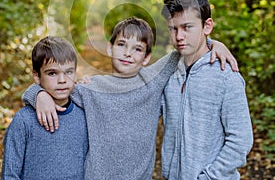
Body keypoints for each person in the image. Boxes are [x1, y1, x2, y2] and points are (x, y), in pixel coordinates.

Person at [23, 17, 237, 180]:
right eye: (122, 45)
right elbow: (56, 89)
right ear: (109, 47)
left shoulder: (152, 82)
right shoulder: (91, 89)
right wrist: (38, 94)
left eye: (137, 49)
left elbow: (186, 49)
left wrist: (214, 44)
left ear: (146, 58)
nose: (127, 53)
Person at [161, 0, 253, 180]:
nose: (179, 36)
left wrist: (208, 177)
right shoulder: (167, 73)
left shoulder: (226, 76)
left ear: (207, 26)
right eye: (173, 28)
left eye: (187, 27)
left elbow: (240, 141)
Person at [1, 36, 88, 180]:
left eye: (69, 72)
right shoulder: (23, 121)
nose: (62, 80)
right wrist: (37, 93)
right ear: (37, 76)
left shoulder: (85, 114)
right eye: (52, 73)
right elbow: (10, 174)